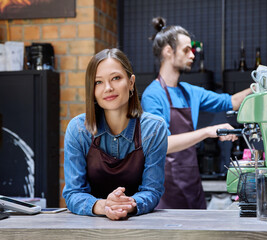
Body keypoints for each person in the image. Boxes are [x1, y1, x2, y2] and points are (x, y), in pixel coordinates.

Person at [141, 17, 252, 209]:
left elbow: (231, 101)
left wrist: (260, 85)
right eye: (186, 50)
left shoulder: (190, 91)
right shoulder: (153, 95)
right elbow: (163, 145)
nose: (192, 55)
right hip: (166, 191)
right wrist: (208, 131)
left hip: (192, 186)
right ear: (168, 51)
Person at [62, 48, 168, 220]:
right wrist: (104, 206)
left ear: (131, 82)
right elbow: (73, 193)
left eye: (116, 78)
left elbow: (152, 190)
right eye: (98, 82)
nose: (108, 88)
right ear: (92, 91)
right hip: (88, 227)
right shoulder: (78, 129)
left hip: (139, 224)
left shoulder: (154, 129)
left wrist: (125, 205)